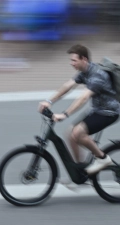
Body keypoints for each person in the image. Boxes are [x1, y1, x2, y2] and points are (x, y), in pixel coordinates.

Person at [38, 44, 120, 175]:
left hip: (109, 112)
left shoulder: (98, 75)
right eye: (71, 60)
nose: (71, 63)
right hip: (97, 110)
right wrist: (49, 101)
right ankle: (80, 171)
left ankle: (103, 159)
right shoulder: (84, 72)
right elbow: (68, 86)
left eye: (74, 60)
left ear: (84, 59)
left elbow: (83, 98)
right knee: (70, 134)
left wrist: (65, 114)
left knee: (78, 133)